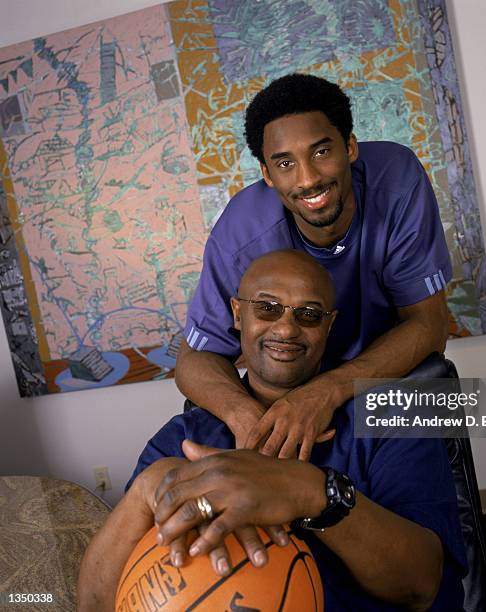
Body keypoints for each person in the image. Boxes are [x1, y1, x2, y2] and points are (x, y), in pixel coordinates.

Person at [78, 250, 466, 612]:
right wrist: (147, 489)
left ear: (329, 326)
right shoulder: (182, 439)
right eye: (267, 308)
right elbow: (96, 604)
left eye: (309, 314)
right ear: (236, 314)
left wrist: (310, 491)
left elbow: (422, 583)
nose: (286, 328)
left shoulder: (389, 418)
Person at [176, 73, 452, 460]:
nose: (307, 179)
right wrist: (249, 419)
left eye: (321, 152)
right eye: (285, 163)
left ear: (350, 147)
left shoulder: (398, 179)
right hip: (282, 398)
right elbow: (192, 361)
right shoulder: (239, 233)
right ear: (267, 174)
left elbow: (431, 324)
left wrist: (325, 392)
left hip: (379, 388)